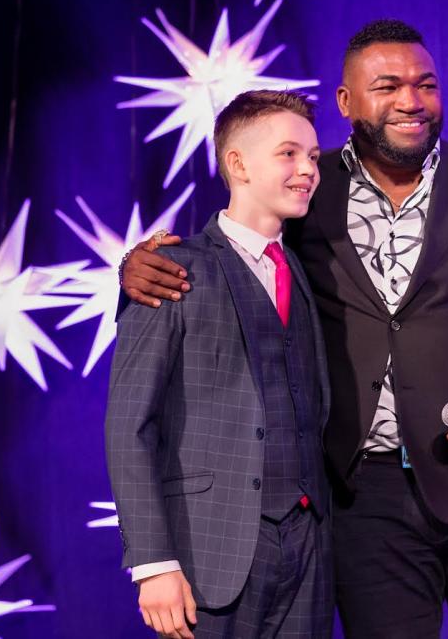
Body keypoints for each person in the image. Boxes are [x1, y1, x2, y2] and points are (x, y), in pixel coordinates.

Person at [121, 20, 448, 638]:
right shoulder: (305, 187)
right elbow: (223, 255)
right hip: (360, 505)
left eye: (425, 84)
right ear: (346, 103)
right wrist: (136, 267)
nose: (411, 100)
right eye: (388, 86)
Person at [105, 90, 332, 639]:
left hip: (308, 548)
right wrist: (154, 562)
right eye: (289, 154)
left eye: (314, 158)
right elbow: (129, 424)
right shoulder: (173, 269)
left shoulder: (303, 269)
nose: (307, 170)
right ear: (238, 164)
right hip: (211, 550)